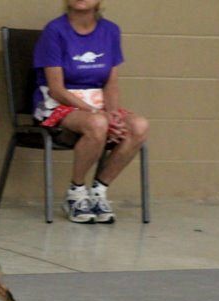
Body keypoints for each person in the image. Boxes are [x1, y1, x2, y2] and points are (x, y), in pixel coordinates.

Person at [33, 0, 149, 223]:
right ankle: (76, 192)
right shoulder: (54, 31)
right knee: (97, 124)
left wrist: (113, 112)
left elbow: (111, 83)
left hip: (97, 102)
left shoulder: (111, 31)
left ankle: (98, 191)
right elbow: (56, 89)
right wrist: (97, 113)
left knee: (139, 126)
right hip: (58, 103)